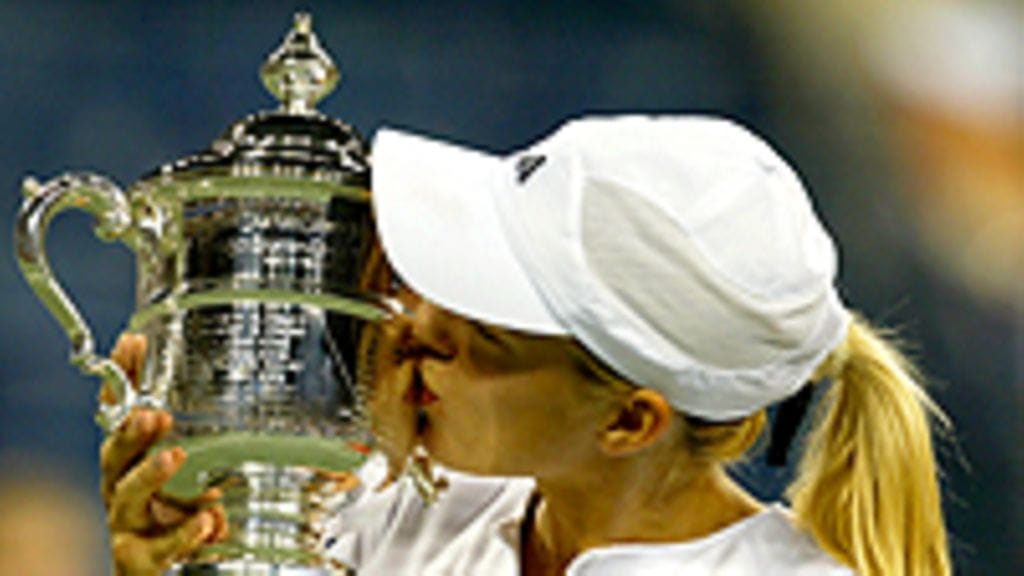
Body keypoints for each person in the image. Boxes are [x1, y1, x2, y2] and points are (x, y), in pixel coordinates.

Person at [101, 115, 952, 575]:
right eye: (441, 285)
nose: (414, 329)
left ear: (630, 422)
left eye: (485, 333)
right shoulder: (371, 507)